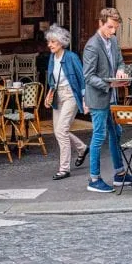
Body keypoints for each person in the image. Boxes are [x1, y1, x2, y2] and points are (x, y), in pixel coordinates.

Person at [82, 7, 132, 193]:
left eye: (115, 28)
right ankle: (94, 179)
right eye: (110, 27)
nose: (113, 32)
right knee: (99, 136)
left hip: (111, 97)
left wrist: (121, 71)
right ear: (100, 23)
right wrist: (110, 84)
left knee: (116, 133)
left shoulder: (113, 40)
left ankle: (119, 174)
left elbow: (120, 61)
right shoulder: (92, 45)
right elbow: (88, 77)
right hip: (98, 98)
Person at [43, 24, 89, 181]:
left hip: (70, 95)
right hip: (57, 95)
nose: (50, 45)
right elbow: (52, 80)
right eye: (49, 42)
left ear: (61, 42)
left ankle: (64, 169)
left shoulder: (71, 57)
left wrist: (84, 100)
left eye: (53, 42)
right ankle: (82, 148)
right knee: (58, 130)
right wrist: (49, 95)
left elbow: (82, 79)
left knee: (61, 130)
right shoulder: (52, 57)